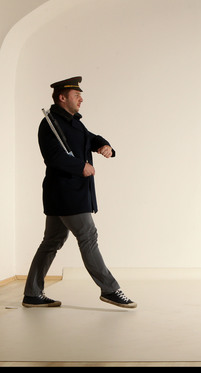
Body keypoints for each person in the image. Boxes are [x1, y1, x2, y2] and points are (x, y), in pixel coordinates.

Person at [22, 76, 136, 309]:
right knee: (88, 236)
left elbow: (89, 138)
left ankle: (32, 293)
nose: (81, 99)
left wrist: (104, 145)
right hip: (65, 193)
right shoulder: (50, 123)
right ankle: (110, 289)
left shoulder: (73, 122)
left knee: (52, 241)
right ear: (62, 97)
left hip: (68, 193)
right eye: (76, 96)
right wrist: (80, 166)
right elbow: (53, 157)